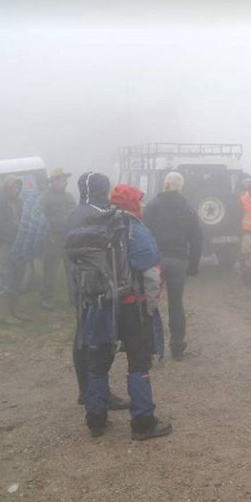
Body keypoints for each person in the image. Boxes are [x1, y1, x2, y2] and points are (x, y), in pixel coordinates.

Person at [79, 183, 172, 441]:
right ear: (131, 203)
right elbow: (152, 272)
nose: (142, 205)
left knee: (98, 364)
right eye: (139, 201)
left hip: (100, 305)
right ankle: (143, 422)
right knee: (138, 362)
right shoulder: (135, 230)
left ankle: (95, 419)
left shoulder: (97, 226)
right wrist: (150, 308)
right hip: (133, 306)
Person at [64, 172, 129, 410]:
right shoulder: (99, 215)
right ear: (101, 189)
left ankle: (85, 390)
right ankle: (99, 393)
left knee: (82, 337)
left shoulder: (74, 213)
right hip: (98, 287)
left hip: (77, 284)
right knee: (100, 341)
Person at [143, 171, 204, 360]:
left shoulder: (152, 206)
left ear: (166, 184)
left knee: (150, 303)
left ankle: (148, 348)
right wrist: (192, 266)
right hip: (179, 262)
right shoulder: (188, 209)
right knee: (176, 304)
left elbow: (143, 233)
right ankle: (177, 347)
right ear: (181, 187)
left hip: (156, 261)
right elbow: (197, 238)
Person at [0, 174, 27, 325]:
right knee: (5, 276)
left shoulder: (19, 202)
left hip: (18, 243)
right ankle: (6, 314)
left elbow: (24, 218)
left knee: (17, 275)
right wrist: (18, 231)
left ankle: (16, 311)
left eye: (18, 186)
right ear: (7, 186)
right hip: (3, 244)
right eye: (14, 186)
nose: (17, 189)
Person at [38, 168, 77, 310]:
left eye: (64, 178)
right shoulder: (45, 197)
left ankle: (74, 297)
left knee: (71, 269)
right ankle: (46, 298)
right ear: (53, 181)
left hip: (68, 238)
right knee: (50, 270)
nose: (63, 181)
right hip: (52, 239)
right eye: (59, 179)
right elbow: (39, 218)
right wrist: (47, 235)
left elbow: (75, 214)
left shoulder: (69, 197)